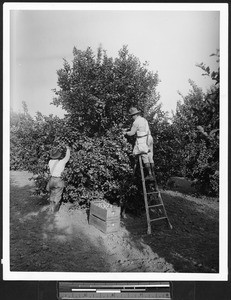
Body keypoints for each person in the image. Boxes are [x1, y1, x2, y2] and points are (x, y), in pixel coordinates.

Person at [124, 107, 154, 181]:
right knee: (150, 156)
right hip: (149, 138)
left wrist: (125, 133)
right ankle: (153, 173)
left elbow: (131, 133)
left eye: (132, 116)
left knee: (144, 156)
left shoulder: (136, 122)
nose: (132, 118)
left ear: (134, 115)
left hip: (143, 140)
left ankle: (150, 175)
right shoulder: (144, 120)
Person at [47, 144, 71, 212]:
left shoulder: (50, 161)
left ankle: (51, 208)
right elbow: (67, 157)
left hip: (51, 179)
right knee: (57, 195)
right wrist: (68, 149)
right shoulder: (62, 162)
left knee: (52, 194)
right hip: (58, 180)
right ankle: (54, 210)